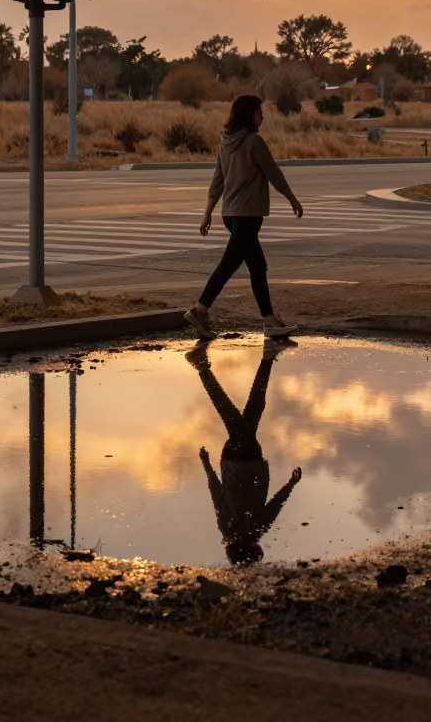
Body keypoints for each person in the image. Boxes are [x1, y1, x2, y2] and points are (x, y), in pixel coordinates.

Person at [184, 93, 303, 340]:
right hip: (248, 215)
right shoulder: (254, 143)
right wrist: (292, 198)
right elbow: (274, 174)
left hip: (231, 214)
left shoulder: (225, 142)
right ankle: (200, 309)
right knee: (229, 264)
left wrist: (208, 212)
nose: (263, 117)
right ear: (249, 115)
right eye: (260, 112)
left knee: (257, 266)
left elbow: (217, 179)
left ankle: (269, 320)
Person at [186, 342, 302, 565]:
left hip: (248, 459)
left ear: (253, 552)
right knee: (245, 410)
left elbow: (275, 505)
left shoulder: (255, 530)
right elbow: (216, 495)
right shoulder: (229, 530)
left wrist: (291, 484)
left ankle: (205, 366)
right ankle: (207, 366)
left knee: (246, 409)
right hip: (233, 460)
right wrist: (207, 464)